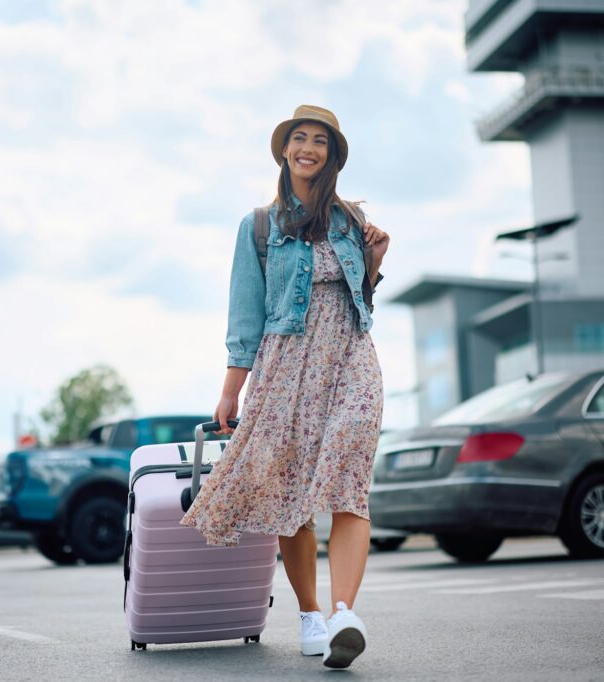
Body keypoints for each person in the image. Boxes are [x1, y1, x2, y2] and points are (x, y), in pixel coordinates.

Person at [181, 104, 389, 669]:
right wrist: (231, 387)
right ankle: (311, 615)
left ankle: (346, 613)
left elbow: (359, 299)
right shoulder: (260, 225)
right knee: (291, 493)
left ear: (332, 156)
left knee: (349, 475)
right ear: (285, 151)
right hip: (284, 362)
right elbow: (245, 312)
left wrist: (374, 262)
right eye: (300, 138)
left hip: (349, 355)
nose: (309, 148)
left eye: (320, 141)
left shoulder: (351, 221)